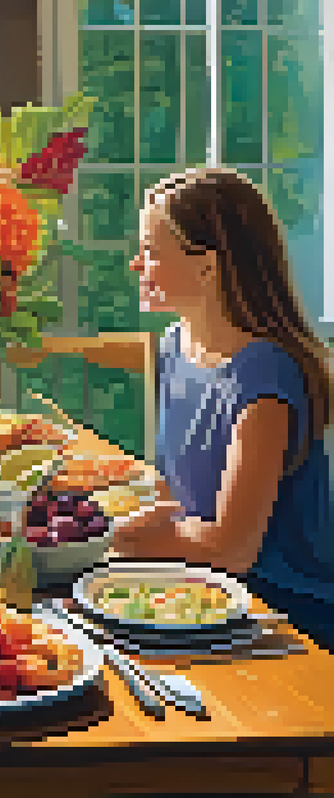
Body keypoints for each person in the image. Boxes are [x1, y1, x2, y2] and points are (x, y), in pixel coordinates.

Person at [100, 168, 333, 646]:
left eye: (151, 251)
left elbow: (233, 550)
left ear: (207, 268)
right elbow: (177, 496)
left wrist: (110, 537)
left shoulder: (265, 375)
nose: (136, 264)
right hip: (198, 595)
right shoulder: (173, 346)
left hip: (283, 619)